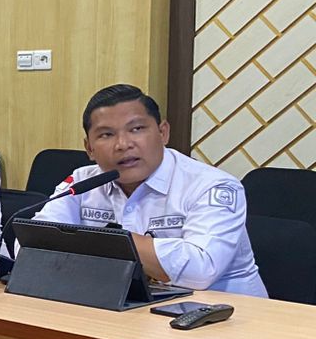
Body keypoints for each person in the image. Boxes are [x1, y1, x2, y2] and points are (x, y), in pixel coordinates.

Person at [29, 84, 266, 297]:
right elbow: (31, 245)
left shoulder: (213, 185)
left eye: (136, 129)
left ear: (163, 133)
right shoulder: (82, 182)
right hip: (130, 307)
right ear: (89, 148)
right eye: (106, 134)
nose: (123, 144)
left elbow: (200, 269)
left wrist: (92, 242)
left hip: (225, 316)